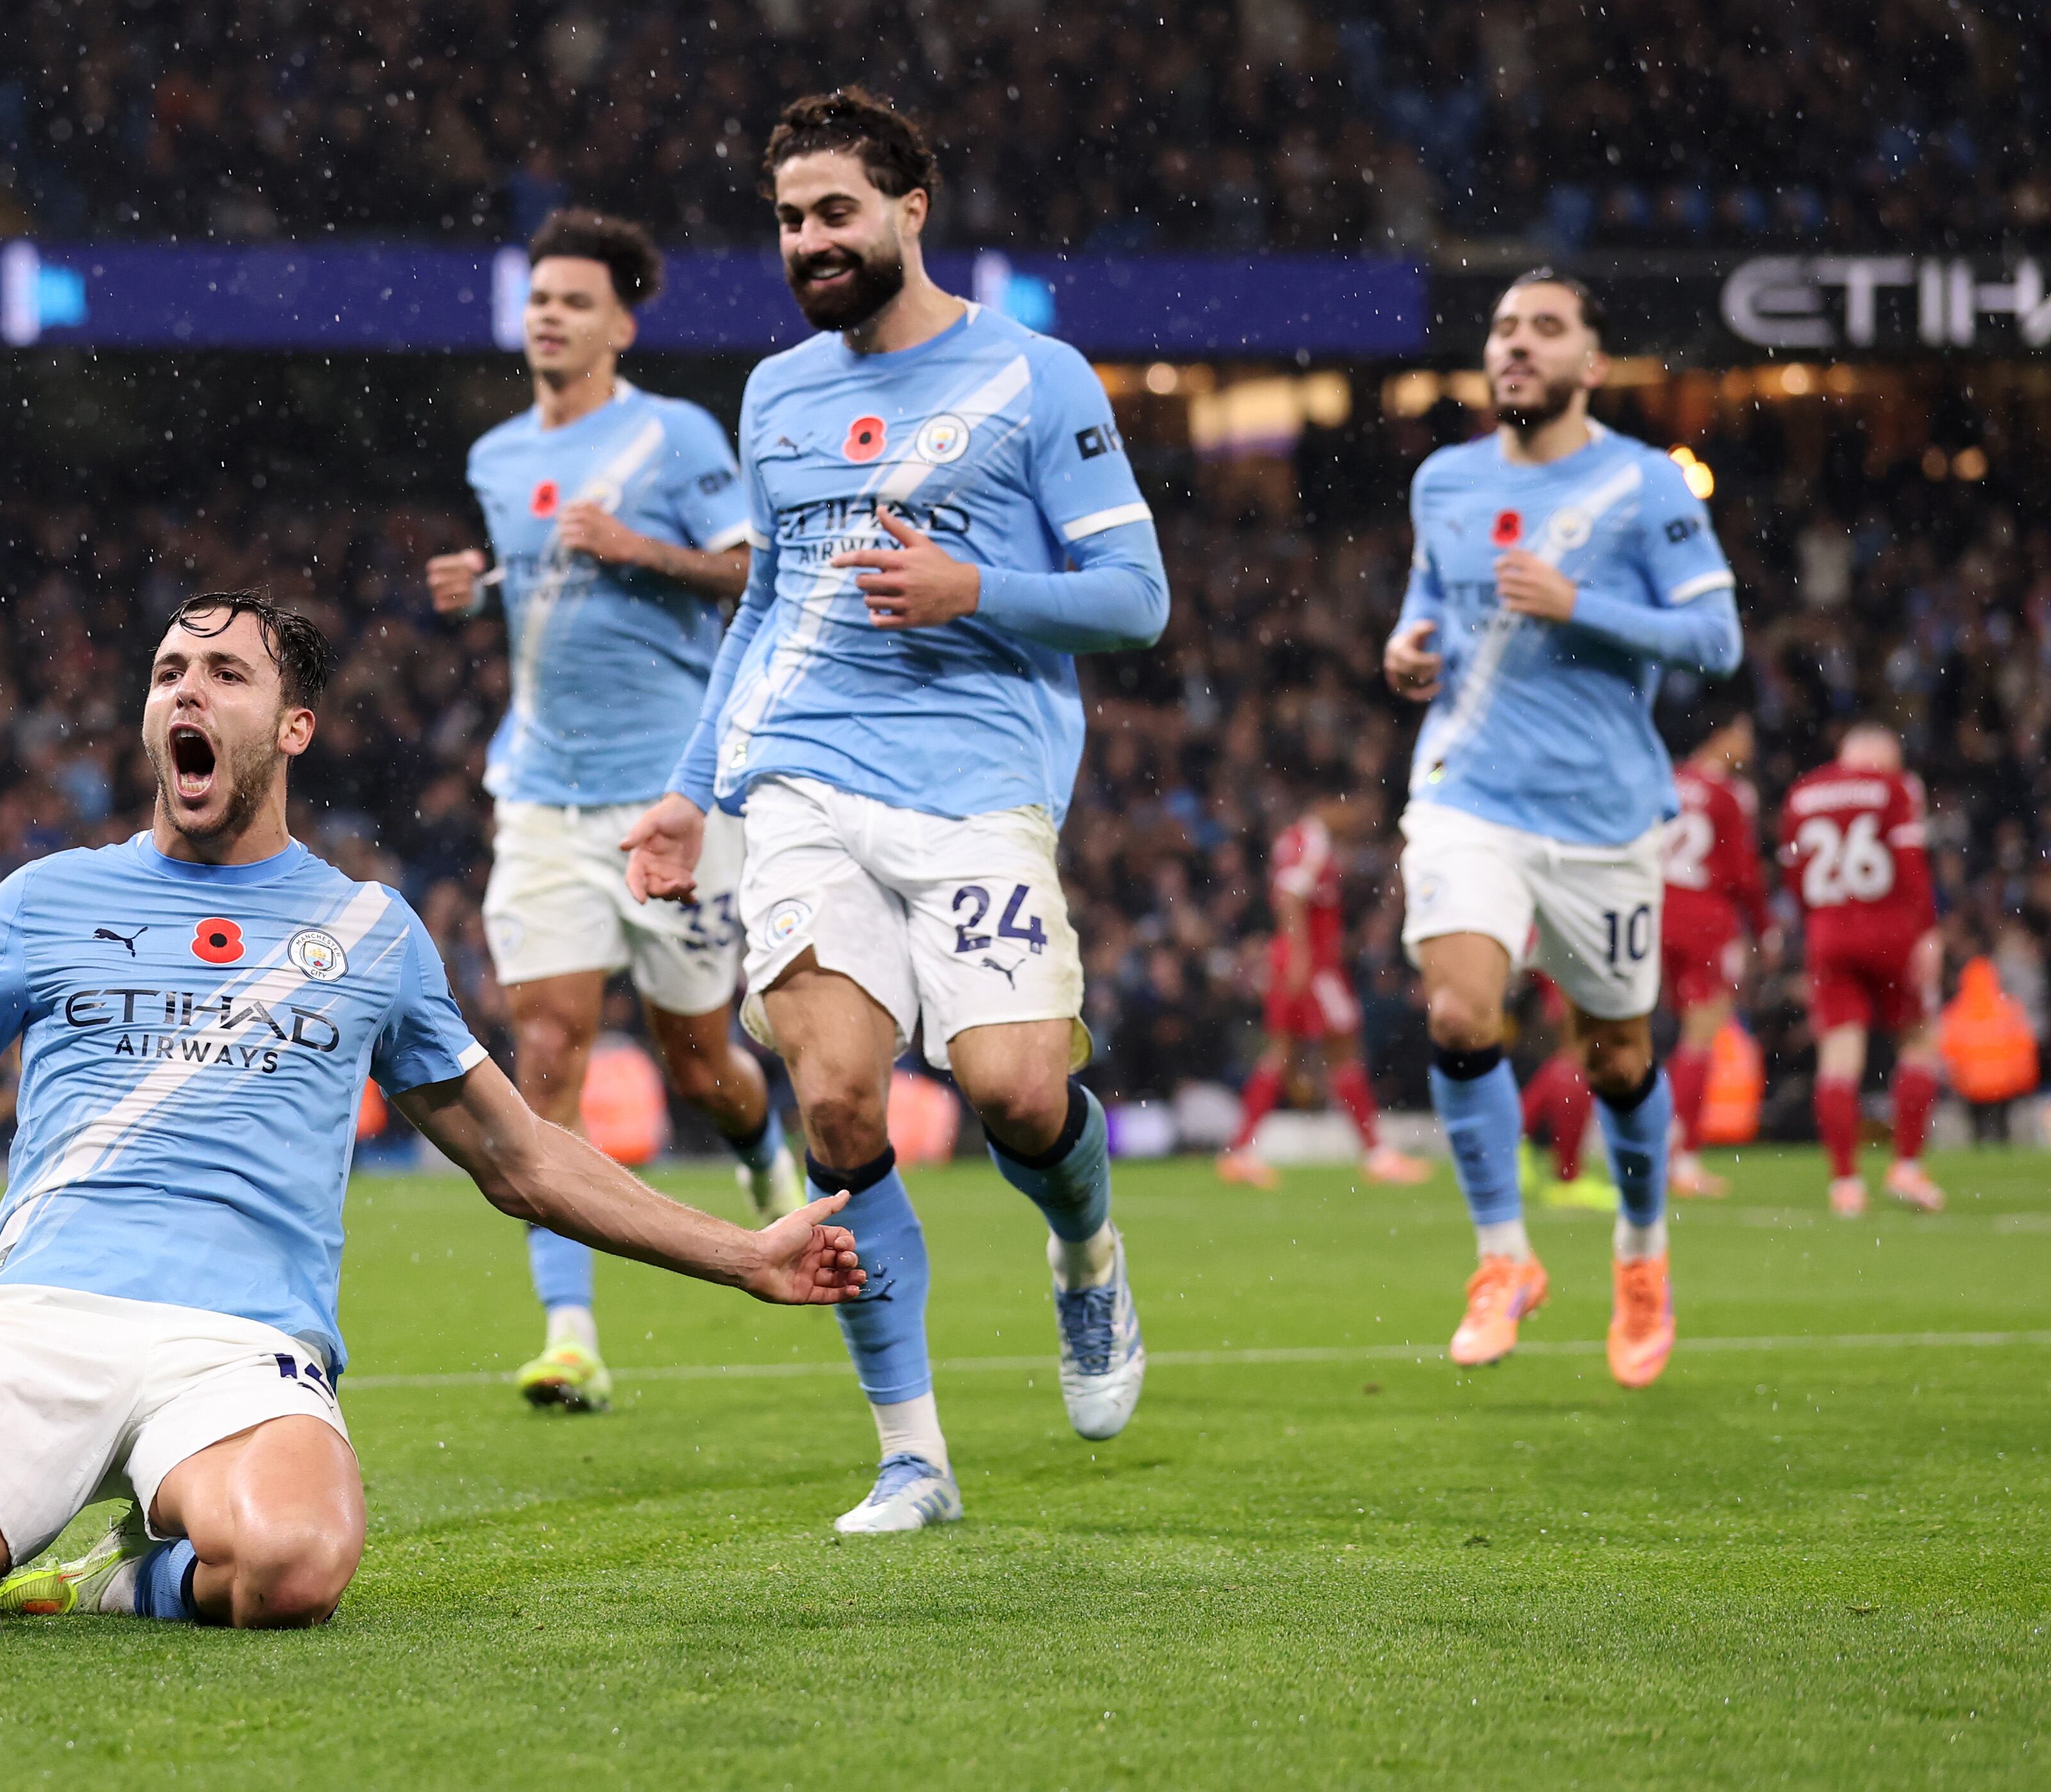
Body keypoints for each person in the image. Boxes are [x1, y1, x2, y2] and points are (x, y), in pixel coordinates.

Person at [0, 591, 862, 1634]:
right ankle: (3, 1511)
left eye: (225, 672)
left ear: (288, 725)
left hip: (237, 1344)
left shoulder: (368, 929)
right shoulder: (50, 897)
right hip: (39, 1318)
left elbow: (520, 1153)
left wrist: (738, 1252)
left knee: (296, 1566)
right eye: (167, 670)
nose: (186, 690)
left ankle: (126, 1574)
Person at [621, 89, 1170, 1533]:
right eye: (790, 218)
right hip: (803, 784)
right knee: (842, 1098)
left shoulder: (1037, 379)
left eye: (835, 212)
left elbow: (1135, 600)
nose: (809, 240)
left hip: (981, 789)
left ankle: (1088, 1252)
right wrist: (691, 791)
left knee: (1015, 1091)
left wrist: (970, 589)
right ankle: (913, 1453)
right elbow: (762, 615)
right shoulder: (776, 394)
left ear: (911, 211)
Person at [426, 208, 801, 1416]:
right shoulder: (494, 458)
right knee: (543, 1052)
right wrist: (472, 585)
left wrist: (639, 545)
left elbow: (755, 571)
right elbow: (544, 586)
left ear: (620, 324)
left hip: (671, 793)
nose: (549, 316)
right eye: (538, 299)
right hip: (537, 789)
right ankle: (570, 1331)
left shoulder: (673, 435)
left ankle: (761, 1154)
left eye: (574, 301)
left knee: (702, 1064)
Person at [1380, 269, 1742, 1390]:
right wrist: (1407, 646)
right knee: (1454, 1010)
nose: (1515, 347)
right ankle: (1502, 1259)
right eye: (1501, 330)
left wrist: (1578, 602)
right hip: (1465, 790)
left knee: (1618, 1053)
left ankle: (1640, 1255)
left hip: (1600, 813)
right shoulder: (1444, 479)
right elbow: (1426, 601)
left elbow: (1717, 640)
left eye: (1544, 330)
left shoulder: (1642, 486)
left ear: (1591, 364)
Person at [1217, 781, 1428, 1190]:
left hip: (1304, 962)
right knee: (1343, 1050)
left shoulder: (1296, 839)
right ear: (1332, 802)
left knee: (1283, 1053)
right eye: (1354, 809)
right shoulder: (1312, 840)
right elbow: (1290, 897)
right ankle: (1377, 1154)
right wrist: (1299, 957)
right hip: (1313, 966)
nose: (1358, 821)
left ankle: (1241, 1151)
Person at [1776, 723, 1945, 1217]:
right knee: (1918, 1041)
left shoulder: (1803, 793)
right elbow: (1912, 864)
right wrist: (1928, 930)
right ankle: (1907, 1167)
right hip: (1891, 927)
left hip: (1828, 932)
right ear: (1878, 755)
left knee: (1838, 1058)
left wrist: (1815, 924)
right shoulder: (1896, 787)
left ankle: (1846, 1183)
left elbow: (1793, 873)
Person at [1658, 704, 1772, 1199]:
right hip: (1705, 922)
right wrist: (1765, 930)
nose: (1749, 746)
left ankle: (1641, 1147)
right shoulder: (1732, 795)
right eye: (1743, 733)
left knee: (1638, 1034)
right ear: (1722, 733)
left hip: (1651, 911)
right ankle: (1682, 1158)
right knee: (1700, 1039)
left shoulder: (1660, 779)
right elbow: (1745, 874)